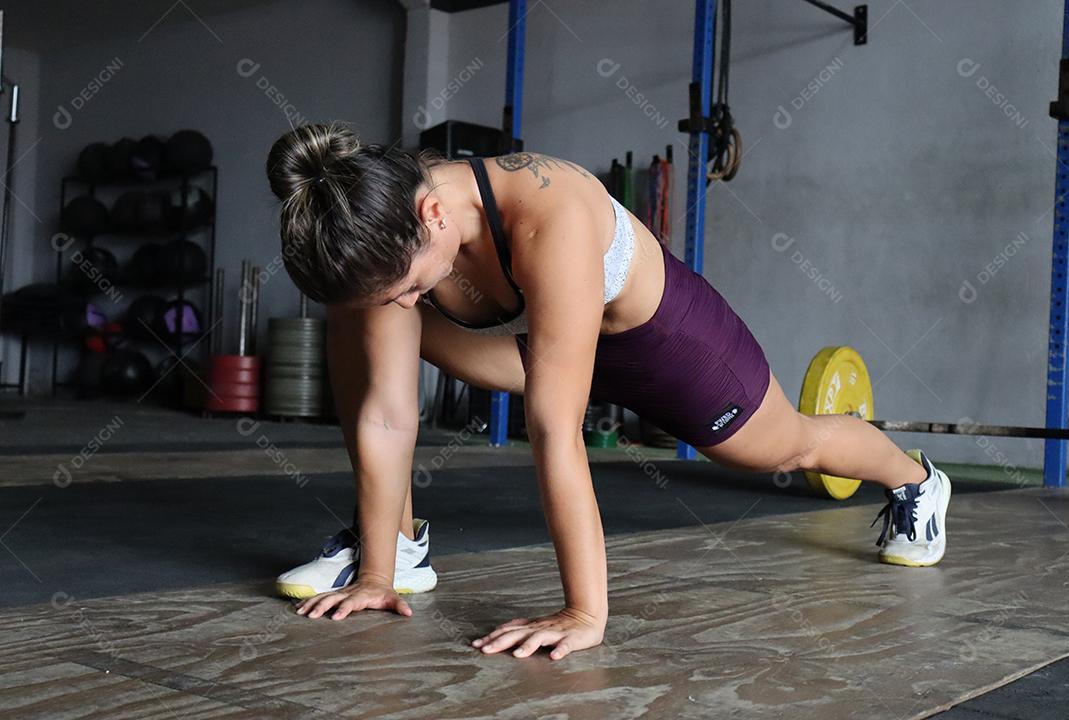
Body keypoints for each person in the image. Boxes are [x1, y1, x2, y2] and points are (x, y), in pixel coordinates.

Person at [265, 122, 951, 661]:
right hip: (544, 341)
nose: (411, 300)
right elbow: (387, 416)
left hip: (661, 345)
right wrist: (377, 578)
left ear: (434, 215)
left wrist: (584, 613)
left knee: (782, 449)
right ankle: (397, 547)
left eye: (415, 286)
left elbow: (555, 430)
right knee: (359, 327)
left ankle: (916, 481)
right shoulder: (384, 232)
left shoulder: (546, 215)